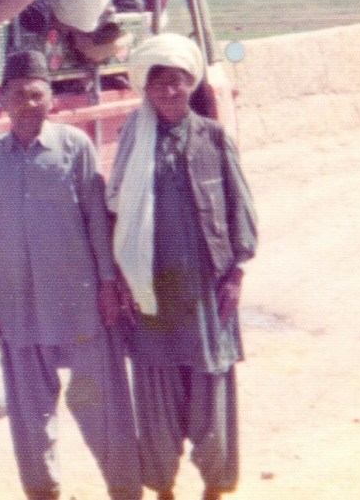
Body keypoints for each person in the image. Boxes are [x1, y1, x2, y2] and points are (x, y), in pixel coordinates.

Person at [0, 49, 143, 500]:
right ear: (2, 99)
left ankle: (126, 491)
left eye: (37, 95)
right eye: (18, 95)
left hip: (77, 302)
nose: (28, 104)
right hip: (18, 303)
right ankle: (42, 491)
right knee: (30, 413)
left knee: (102, 406)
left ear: (51, 99)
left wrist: (107, 285)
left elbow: (96, 221)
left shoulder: (75, 147)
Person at [107, 34, 258, 500]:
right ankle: (162, 486)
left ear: (191, 82)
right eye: (159, 84)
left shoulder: (213, 137)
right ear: (146, 89)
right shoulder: (134, 138)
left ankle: (214, 484)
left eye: (178, 81)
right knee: (156, 388)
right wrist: (122, 279)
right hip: (151, 286)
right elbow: (117, 211)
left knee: (211, 381)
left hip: (206, 287)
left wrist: (237, 275)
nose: (170, 91)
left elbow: (239, 207)